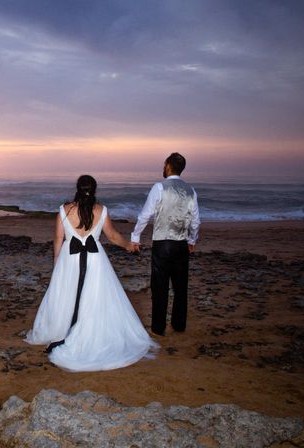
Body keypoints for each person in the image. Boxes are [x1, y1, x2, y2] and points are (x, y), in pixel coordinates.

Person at [25, 175, 157, 371]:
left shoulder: (64, 210)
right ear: (94, 190)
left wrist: (57, 262)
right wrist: (129, 246)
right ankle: (85, 330)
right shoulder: (101, 210)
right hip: (95, 261)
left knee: (66, 295)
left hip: (69, 259)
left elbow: (58, 239)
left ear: (77, 188)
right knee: (95, 298)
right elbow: (113, 236)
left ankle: (63, 329)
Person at [129, 152, 200, 336]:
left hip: (162, 244)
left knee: (159, 286)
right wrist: (192, 240)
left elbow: (145, 215)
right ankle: (178, 324)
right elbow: (195, 221)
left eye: (164, 164)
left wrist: (135, 237)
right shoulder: (191, 191)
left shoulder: (159, 187)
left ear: (168, 165)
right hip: (181, 245)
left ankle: (158, 328)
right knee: (180, 286)